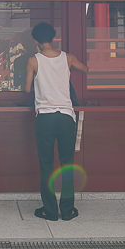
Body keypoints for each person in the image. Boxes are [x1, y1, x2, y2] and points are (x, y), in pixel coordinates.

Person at [25, 22, 88, 221]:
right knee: (67, 163)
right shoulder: (67, 57)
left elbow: (27, 89)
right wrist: (67, 69)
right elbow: (85, 69)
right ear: (53, 38)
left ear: (36, 41)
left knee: (46, 164)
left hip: (45, 117)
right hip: (66, 117)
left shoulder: (33, 60)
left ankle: (50, 211)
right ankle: (68, 210)